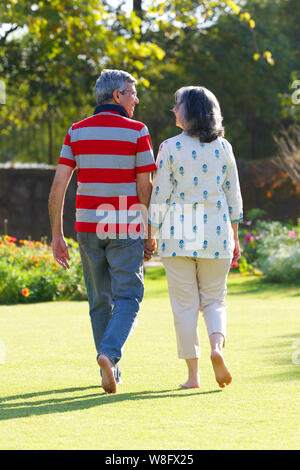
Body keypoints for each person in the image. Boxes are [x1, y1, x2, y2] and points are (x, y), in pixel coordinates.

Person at [48, 69, 156, 394]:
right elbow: (145, 188)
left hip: (87, 226)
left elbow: (57, 187)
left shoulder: (76, 131)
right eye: (132, 93)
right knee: (130, 296)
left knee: (99, 301)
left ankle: (109, 369)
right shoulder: (138, 131)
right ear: (117, 96)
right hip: (124, 224)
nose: (136, 99)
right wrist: (149, 232)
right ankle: (109, 356)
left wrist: (56, 235)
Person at [148, 86, 243, 389]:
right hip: (217, 233)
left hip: (178, 235)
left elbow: (160, 196)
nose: (173, 110)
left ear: (189, 111)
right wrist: (236, 238)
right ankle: (217, 348)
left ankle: (193, 376)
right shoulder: (225, 148)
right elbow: (234, 198)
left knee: (185, 306)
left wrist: (150, 235)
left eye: (177, 105)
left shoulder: (169, 147)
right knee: (215, 300)